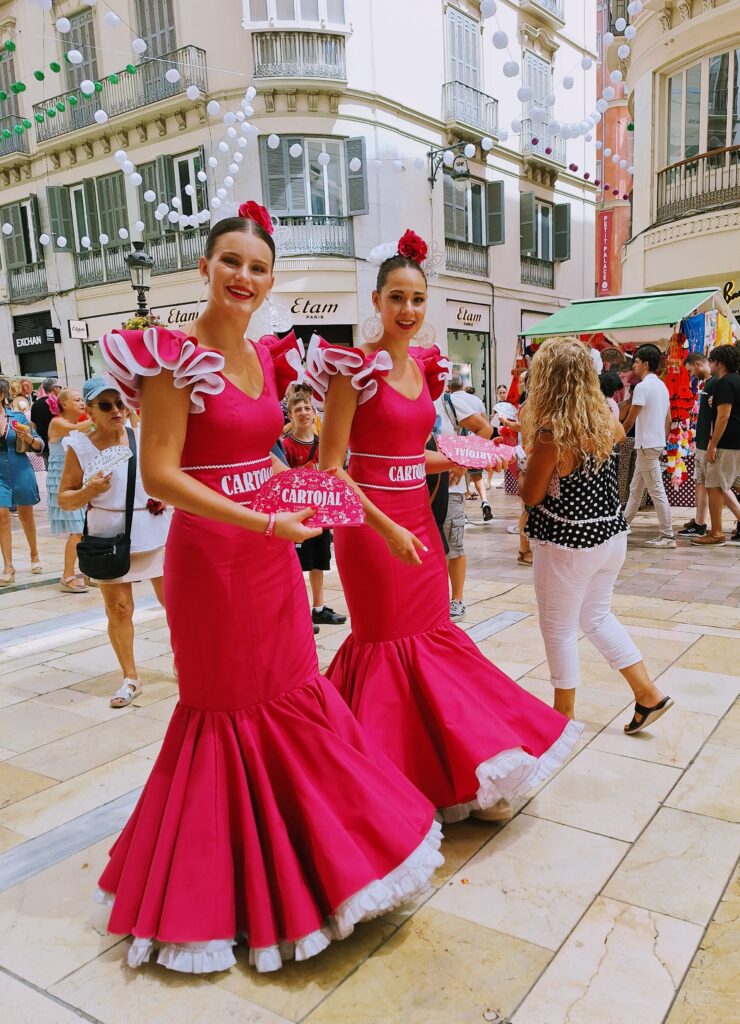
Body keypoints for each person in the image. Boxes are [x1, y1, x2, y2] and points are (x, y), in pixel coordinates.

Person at [96, 203, 442, 974]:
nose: (243, 277)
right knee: (227, 708)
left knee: (294, 693)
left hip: (270, 556)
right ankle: (230, 887)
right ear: (204, 269)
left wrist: (302, 496)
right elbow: (161, 475)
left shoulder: (261, 360)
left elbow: (268, 462)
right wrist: (262, 523)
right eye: (230, 263)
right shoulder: (172, 359)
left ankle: (314, 858)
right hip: (213, 562)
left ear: (270, 278)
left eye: (256, 267)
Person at [311, 229, 581, 824]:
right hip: (371, 529)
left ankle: (457, 773)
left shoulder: (423, 373)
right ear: (376, 301)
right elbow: (332, 468)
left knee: (432, 639)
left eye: (417, 300)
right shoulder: (352, 371)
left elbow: (408, 454)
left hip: (418, 521)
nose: (408, 311)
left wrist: (467, 457)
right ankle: (390, 788)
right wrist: (384, 528)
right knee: (385, 646)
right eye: (397, 298)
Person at [521, 339, 673, 733]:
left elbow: (531, 494)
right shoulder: (605, 418)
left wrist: (523, 463)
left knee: (558, 629)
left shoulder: (553, 432)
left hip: (568, 544)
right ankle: (647, 694)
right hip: (610, 538)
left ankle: (562, 718)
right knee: (596, 616)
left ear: (547, 379)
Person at [57, 378, 171, 705]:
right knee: (119, 608)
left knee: (174, 604)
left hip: (153, 528)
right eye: (105, 405)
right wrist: (88, 491)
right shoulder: (80, 446)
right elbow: (65, 498)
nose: (116, 411)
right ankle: (130, 676)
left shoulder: (142, 435)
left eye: (120, 404)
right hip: (109, 536)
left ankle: (183, 660)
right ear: (90, 411)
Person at [282, 390, 347, 627]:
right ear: (290, 415)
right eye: (297, 410)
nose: (303, 413)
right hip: (297, 515)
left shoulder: (324, 444)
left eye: (307, 408)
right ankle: (296, 612)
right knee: (296, 565)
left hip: (321, 513)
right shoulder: (286, 446)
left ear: (314, 412)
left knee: (320, 561)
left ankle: (318, 607)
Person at [438, 374, 497, 620]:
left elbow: (486, 429)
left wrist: (462, 462)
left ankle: (457, 599)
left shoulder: (447, 402)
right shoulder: (408, 400)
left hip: (450, 487)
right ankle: (434, 599)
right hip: (419, 485)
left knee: (453, 546)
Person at [679, 353, 740, 542]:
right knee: (718, 484)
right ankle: (708, 527)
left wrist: (712, 443)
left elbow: (723, 416)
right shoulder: (731, 381)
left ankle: (716, 532)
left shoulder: (722, 382)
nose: (710, 365)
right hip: (725, 441)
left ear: (718, 363)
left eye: (712, 361)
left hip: (723, 442)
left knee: (716, 485)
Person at [622, 344, 675, 547]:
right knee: (636, 487)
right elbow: (668, 420)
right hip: (653, 443)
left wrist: (617, 438)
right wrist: (661, 439)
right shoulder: (662, 386)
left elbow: (630, 420)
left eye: (635, 362)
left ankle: (668, 535)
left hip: (646, 444)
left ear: (645, 363)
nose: (634, 366)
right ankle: (624, 524)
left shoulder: (643, 387)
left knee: (656, 490)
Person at [46, 388, 94, 593]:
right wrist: (98, 415)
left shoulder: (76, 425)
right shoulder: (58, 423)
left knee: (86, 529)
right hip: (62, 481)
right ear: (64, 404)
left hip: (80, 479)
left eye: (82, 400)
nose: (81, 403)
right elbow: (85, 427)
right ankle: (67, 575)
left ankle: (89, 573)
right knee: (77, 530)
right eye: (77, 400)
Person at [0, 403, 44, 585]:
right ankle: (8, 566)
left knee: (26, 515)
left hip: (20, 468)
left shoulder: (17, 417)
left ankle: (34, 554)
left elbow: (39, 444)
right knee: (2, 515)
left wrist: (28, 437)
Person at [31, 378, 61, 469]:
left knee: (51, 471)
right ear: (54, 388)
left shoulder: (36, 404)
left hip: (45, 445)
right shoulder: (59, 402)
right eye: (59, 387)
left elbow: (33, 426)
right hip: (61, 444)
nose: (60, 389)